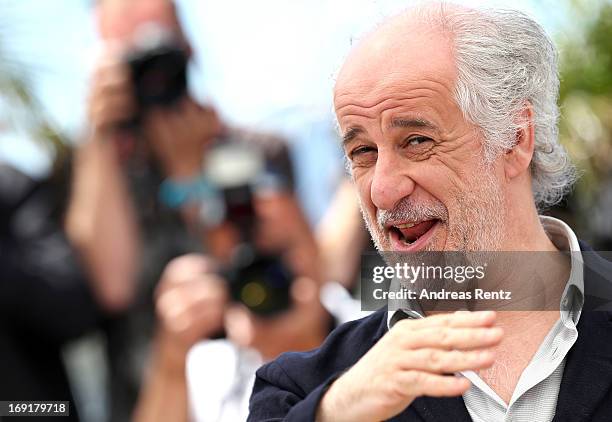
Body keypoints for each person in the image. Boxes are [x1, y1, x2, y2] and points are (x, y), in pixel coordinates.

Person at [248, 3, 612, 422]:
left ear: (515, 139)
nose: (383, 190)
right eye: (363, 152)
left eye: (416, 141)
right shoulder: (302, 393)